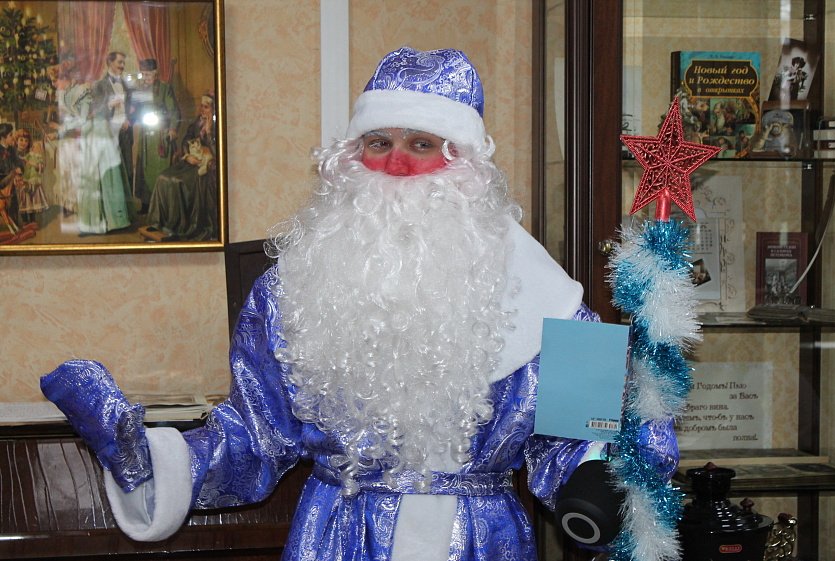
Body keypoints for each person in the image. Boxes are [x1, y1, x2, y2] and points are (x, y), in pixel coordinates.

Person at [42, 48, 677, 560]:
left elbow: (581, 451)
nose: (396, 164)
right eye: (378, 143)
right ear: (351, 158)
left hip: (480, 544)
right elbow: (255, 439)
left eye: (422, 144)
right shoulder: (291, 292)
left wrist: (627, 446)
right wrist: (146, 456)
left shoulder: (553, 299)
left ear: (465, 164)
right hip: (340, 540)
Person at [49, 61, 136, 234]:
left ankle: (113, 222)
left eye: (55, 81)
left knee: (105, 176)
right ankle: (95, 222)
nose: (54, 85)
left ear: (64, 78)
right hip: (90, 132)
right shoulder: (68, 93)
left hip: (99, 132)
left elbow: (82, 119)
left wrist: (62, 129)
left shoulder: (81, 91)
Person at [143, 92, 217, 240]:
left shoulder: (217, 126)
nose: (202, 110)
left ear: (214, 110)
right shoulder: (197, 122)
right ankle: (158, 222)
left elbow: (218, 153)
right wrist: (187, 155)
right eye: (201, 106)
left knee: (178, 182)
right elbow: (186, 140)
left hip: (204, 167)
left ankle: (177, 226)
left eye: (206, 107)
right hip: (189, 162)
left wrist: (209, 132)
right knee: (163, 177)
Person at [132, 58, 181, 213]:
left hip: (161, 136)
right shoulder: (139, 89)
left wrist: (173, 129)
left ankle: (162, 208)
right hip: (145, 136)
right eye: (142, 74)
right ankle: (146, 205)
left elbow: (174, 112)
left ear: (155, 74)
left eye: (148, 75)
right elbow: (135, 111)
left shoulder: (165, 88)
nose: (145, 78)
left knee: (159, 171)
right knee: (144, 170)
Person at [92, 51, 134, 191]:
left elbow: (133, 107)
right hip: (109, 134)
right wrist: (109, 105)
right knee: (113, 171)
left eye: (123, 63)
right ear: (110, 63)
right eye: (119, 62)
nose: (122, 66)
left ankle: (128, 203)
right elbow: (96, 112)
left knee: (128, 169)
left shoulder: (126, 85)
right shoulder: (99, 85)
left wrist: (128, 119)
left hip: (125, 133)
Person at [14, 129, 49, 225]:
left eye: (26, 141)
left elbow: (41, 166)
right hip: (21, 181)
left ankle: (32, 220)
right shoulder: (14, 153)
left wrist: (35, 165)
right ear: (16, 141)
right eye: (21, 140)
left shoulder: (31, 152)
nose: (23, 143)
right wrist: (16, 170)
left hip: (32, 180)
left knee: (31, 200)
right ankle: (25, 221)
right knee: (22, 201)